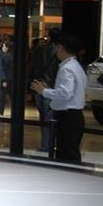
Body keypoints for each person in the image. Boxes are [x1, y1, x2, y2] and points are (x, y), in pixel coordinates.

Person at [30, 33, 86, 163]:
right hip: (73, 115)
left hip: (67, 116)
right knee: (70, 151)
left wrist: (44, 91)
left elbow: (65, 93)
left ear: (62, 48)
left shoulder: (67, 68)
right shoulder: (76, 66)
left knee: (66, 153)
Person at [28, 28, 61, 152]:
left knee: (43, 117)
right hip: (52, 87)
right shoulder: (59, 52)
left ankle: (45, 144)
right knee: (51, 117)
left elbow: (32, 67)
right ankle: (50, 144)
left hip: (38, 85)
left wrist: (31, 85)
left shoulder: (39, 49)